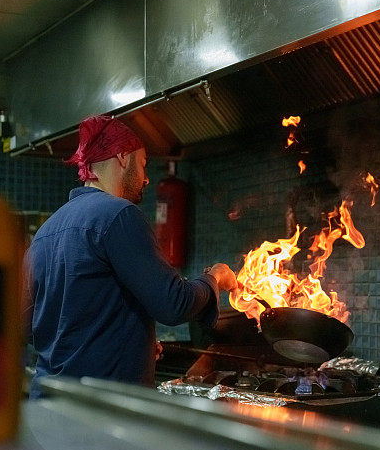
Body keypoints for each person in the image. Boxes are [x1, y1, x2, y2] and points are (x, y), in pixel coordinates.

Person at [26, 115, 236, 397]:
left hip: (50, 405)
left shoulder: (45, 232)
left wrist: (130, 343)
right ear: (123, 157)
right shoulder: (118, 215)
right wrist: (214, 278)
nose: (146, 177)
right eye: (143, 163)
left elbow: (29, 325)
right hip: (102, 411)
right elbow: (174, 304)